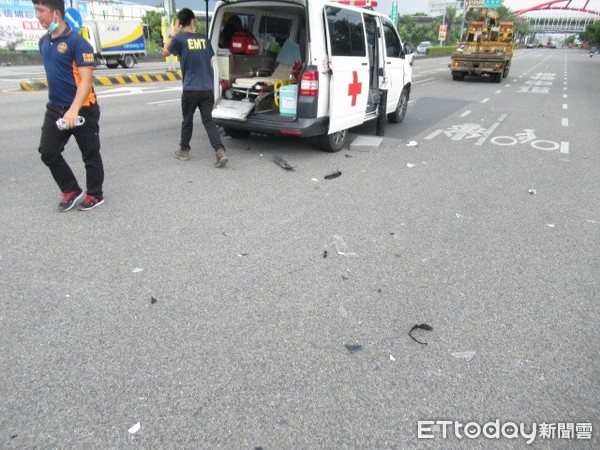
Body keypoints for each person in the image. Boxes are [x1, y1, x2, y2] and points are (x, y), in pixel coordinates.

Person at [32, 0, 104, 211]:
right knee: (48, 151)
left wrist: (73, 110)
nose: (38, 15)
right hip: (55, 108)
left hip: (83, 109)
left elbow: (86, 81)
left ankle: (95, 194)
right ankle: (71, 189)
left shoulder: (78, 43)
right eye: (36, 10)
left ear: (56, 13)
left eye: (41, 10)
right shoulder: (44, 42)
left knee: (90, 154)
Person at [162, 8, 228, 167]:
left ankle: (184, 150)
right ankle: (220, 151)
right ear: (193, 21)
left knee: (187, 119)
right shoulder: (204, 39)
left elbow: (165, 52)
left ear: (180, 23)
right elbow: (211, 62)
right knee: (208, 121)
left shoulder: (179, 39)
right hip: (206, 89)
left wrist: (173, 32)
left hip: (191, 88)